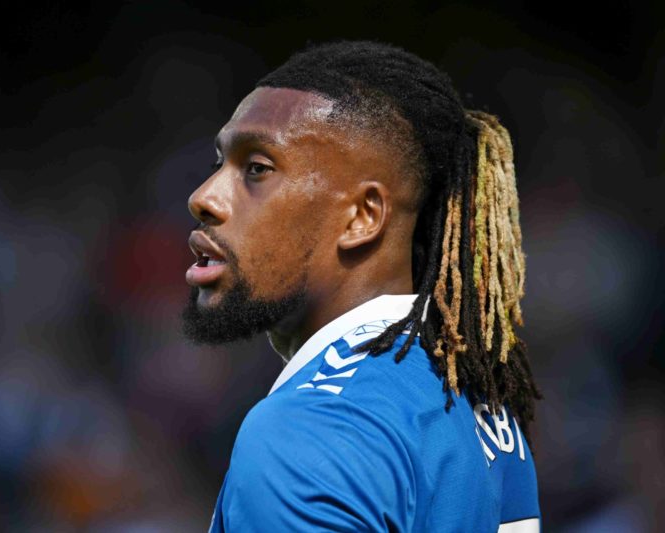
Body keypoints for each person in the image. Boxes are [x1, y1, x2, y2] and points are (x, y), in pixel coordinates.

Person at [182, 40, 541, 532]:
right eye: (217, 163)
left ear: (362, 217)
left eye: (256, 169)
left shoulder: (309, 431)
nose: (204, 198)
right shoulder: (478, 405)